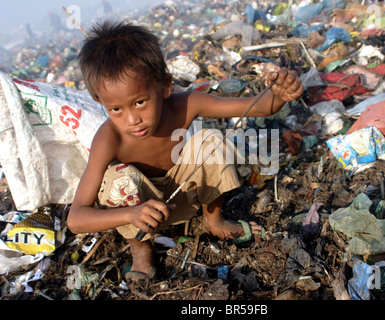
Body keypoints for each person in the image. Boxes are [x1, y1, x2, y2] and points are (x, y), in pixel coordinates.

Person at [67, 21, 304, 283]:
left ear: (164, 86)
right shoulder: (108, 138)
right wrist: (130, 214)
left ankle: (214, 220)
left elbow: (257, 108)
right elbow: (76, 218)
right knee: (117, 179)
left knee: (210, 141)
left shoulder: (186, 104)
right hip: (141, 215)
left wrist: (279, 95)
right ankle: (141, 248)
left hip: (185, 197)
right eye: (116, 109)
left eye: (140, 102)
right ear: (100, 102)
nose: (132, 119)